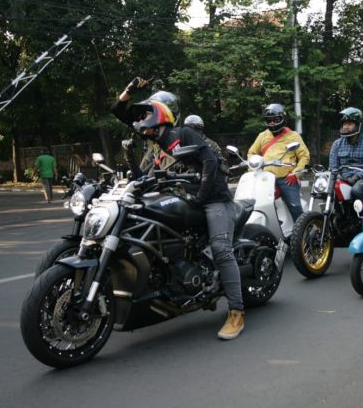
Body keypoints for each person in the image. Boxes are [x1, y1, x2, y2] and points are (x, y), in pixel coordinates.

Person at [128, 84, 246, 341]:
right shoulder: (160, 147)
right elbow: (145, 178)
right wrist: (129, 158)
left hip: (215, 200)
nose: (141, 122)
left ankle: (236, 311)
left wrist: (201, 196)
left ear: (159, 118)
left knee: (221, 250)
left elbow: (210, 162)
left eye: (146, 116)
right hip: (188, 199)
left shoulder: (184, 134)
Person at [247, 103, 310, 221]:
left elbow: (304, 156)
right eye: (269, 120)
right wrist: (253, 169)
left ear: (282, 119)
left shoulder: (293, 136)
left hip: (286, 179)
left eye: (275, 120)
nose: (272, 123)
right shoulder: (262, 135)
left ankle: (302, 232)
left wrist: (295, 174)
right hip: (264, 178)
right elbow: (251, 153)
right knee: (255, 204)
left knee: (295, 207)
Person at [112, 77, 176, 177]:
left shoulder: (180, 137)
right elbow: (117, 110)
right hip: (152, 176)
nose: (141, 121)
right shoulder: (148, 131)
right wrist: (128, 91)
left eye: (146, 115)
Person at [328, 107, 363, 205]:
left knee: (356, 190)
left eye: (349, 124)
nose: (346, 127)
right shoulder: (337, 144)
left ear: (358, 126)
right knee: (326, 189)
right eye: (344, 124)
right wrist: (341, 177)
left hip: (362, 180)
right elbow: (333, 167)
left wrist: (358, 176)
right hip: (343, 178)